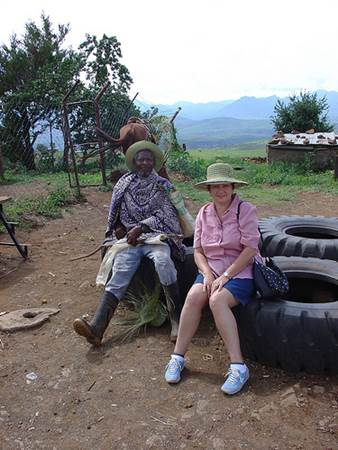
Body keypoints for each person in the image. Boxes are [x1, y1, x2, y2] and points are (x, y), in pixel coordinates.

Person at [73, 141, 184, 345]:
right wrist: (117, 226)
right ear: (134, 162)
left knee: (163, 263)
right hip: (130, 241)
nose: (144, 163)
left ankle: (176, 321)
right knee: (120, 269)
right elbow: (114, 211)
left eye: (148, 159)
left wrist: (141, 227)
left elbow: (167, 214)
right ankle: (97, 328)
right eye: (141, 159)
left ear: (154, 162)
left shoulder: (163, 185)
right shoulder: (124, 183)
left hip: (156, 237)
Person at [164, 163, 260, 395]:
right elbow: (197, 251)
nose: (220, 191)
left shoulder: (245, 210)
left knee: (217, 300)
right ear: (209, 190)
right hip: (213, 271)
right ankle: (178, 357)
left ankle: (238, 366)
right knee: (194, 295)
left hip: (241, 271)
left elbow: (250, 249)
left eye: (224, 185)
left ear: (232, 186)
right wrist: (207, 274)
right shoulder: (204, 213)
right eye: (215, 186)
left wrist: (226, 276)